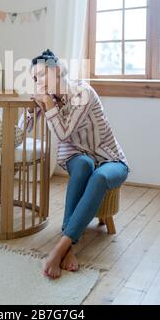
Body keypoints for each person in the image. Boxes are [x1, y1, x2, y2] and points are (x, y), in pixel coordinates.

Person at [27, 49, 129, 279]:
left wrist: (47, 105)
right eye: (35, 78)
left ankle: (61, 248)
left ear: (57, 71)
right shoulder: (50, 99)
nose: (38, 82)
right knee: (83, 165)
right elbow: (24, 129)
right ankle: (69, 246)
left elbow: (63, 133)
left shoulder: (83, 92)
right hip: (78, 156)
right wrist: (32, 108)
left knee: (99, 176)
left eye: (41, 74)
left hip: (110, 159)